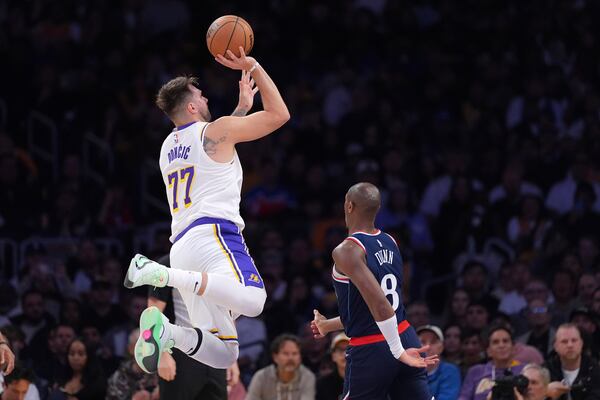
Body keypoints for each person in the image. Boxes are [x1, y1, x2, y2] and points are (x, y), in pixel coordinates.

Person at [123, 46, 290, 373]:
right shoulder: (215, 132)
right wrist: (253, 65)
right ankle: (162, 275)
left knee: (226, 353)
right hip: (214, 236)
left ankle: (166, 332)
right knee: (255, 300)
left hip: (183, 247)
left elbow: (213, 153)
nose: (207, 100)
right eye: (201, 96)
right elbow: (279, 115)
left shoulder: (167, 148)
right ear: (191, 105)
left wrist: (240, 110)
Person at [311, 183, 437, 400]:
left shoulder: (347, 250)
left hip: (375, 346)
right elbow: (374, 307)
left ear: (349, 206)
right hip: (405, 333)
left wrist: (398, 352)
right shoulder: (390, 242)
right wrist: (327, 325)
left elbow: (381, 306)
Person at [148, 254, 241, 400]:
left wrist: (232, 359)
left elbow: (226, 314)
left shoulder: (221, 265)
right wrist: (161, 355)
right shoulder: (168, 263)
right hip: (180, 353)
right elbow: (152, 314)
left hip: (215, 351)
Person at [458, 324, 524, 400]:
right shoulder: (476, 372)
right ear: (488, 351)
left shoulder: (525, 370)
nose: (501, 345)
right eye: (496, 342)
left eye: (505, 341)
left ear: (513, 348)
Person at [246, 334, 315, 400]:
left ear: (300, 358)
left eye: (295, 353)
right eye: (285, 353)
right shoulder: (261, 377)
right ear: (275, 357)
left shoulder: (307, 377)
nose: (290, 358)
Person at [544, 323, 600, 400]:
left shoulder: (596, 369)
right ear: (555, 346)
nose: (570, 345)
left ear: (581, 344)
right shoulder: (545, 370)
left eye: (574, 340)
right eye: (564, 341)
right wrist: (545, 392)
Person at [416, 325, 461, 400]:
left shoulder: (450, 371)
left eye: (433, 342)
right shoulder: (407, 371)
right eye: (422, 341)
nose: (428, 346)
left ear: (442, 347)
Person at [316, 332, 348, 400]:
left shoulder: (365, 381)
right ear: (333, 356)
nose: (344, 354)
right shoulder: (322, 384)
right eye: (340, 350)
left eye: (348, 349)